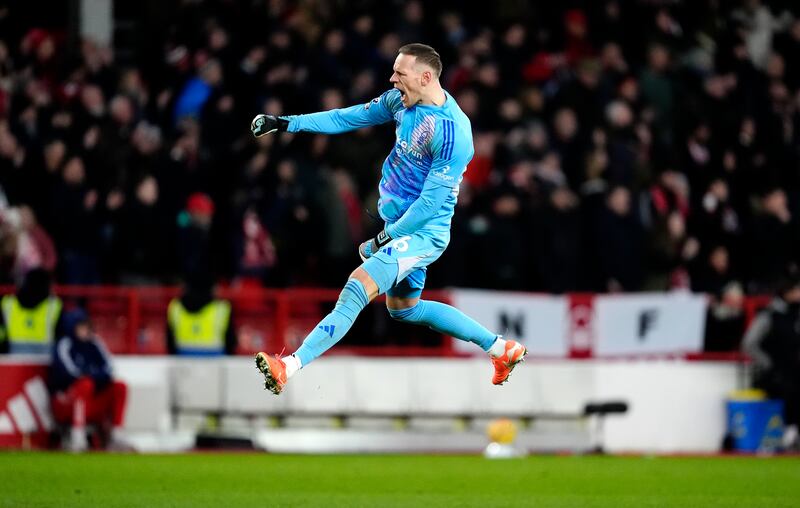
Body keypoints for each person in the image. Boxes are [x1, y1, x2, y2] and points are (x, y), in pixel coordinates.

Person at [250, 43, 526, 394]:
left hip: (423, 232)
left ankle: (287, 365)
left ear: (426, 77)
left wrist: (386, 237)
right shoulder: (401, 101)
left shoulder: (455, 134)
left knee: (356, 286)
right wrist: (287, 123)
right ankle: (502, 349)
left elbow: (429, 204)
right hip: (398, 227)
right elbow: (346, 117)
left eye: (400, 73)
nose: (392, 78)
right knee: (404, 309)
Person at [48, 309, 128, 451]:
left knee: (120, 386)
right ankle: (77, 436)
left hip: (91, 400)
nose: (85, 330)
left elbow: (109, 369)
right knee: (84, 385)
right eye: (81, 327)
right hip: (66, 401)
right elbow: (69, 373)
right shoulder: (65, 345)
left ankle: (116, 435)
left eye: (87, 326)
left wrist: (92, 376)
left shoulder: (95, 343)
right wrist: (92, 377)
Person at [742, 274, 800, 450]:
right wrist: (768, 363)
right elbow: (749, 344)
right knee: (790, 390)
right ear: (786, 293)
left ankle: (792, 433)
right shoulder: (769, 316)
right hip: (772, 374)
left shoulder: (796, 316)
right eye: (797, 290)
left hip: (794, 371)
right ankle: (788, 434)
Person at [166, 275, 236, 356]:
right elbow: (231, 344)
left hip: (183, 365)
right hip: (215, 365)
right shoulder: (222, 308)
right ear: (213, 287)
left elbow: (170, 345)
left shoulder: (175, 307)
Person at [0, 268, 62, 354]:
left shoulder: (7, 303)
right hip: (44, 361)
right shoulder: (54, 305)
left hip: (14, 359)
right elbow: (61, 335)